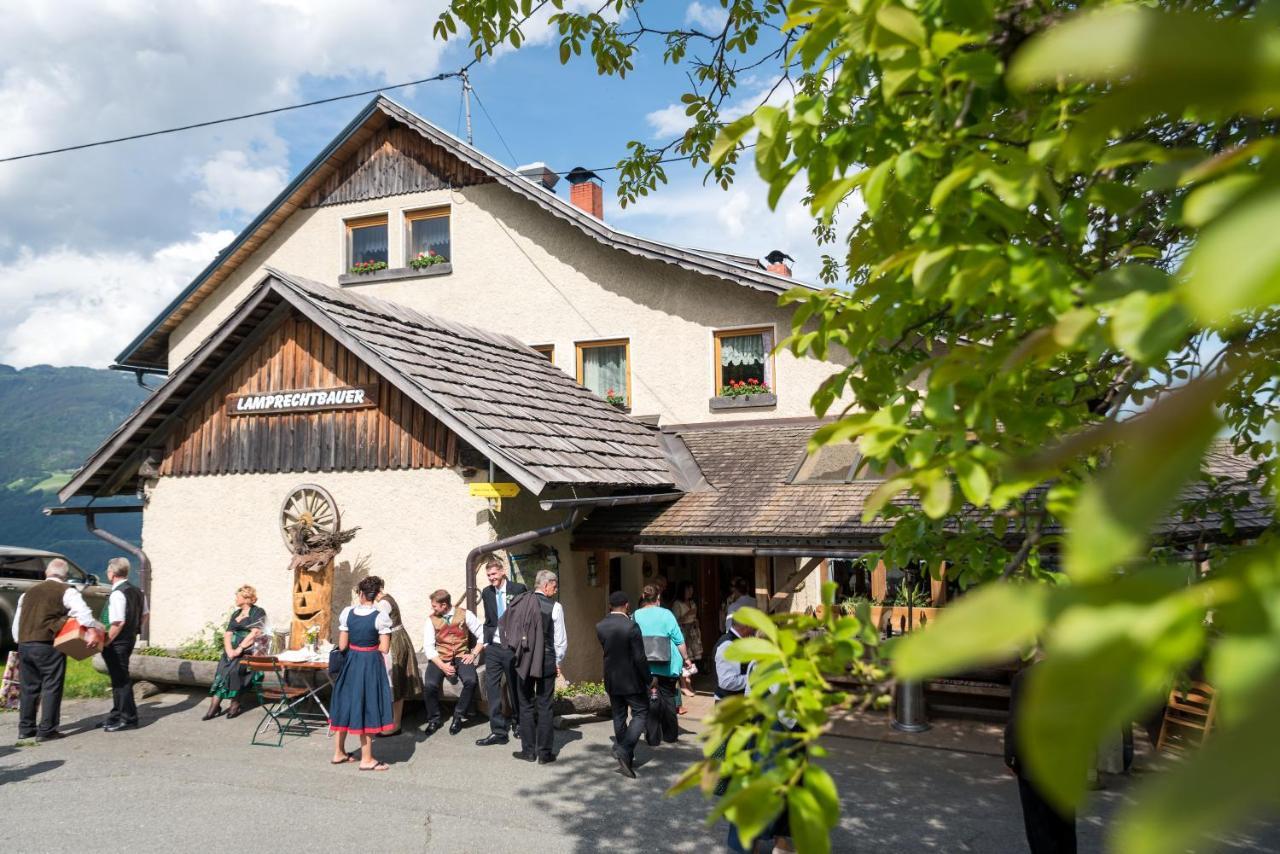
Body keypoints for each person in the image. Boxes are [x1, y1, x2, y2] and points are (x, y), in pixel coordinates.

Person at [12, 558, 103, 741]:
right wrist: (92, 630)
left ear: (47, 573)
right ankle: (47, 730)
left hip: (25, 644)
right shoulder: (67, 591)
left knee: (29, 687)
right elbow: (83, 612)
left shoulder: (28, 593)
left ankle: (26, 728)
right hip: (47, 644)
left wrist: (18, 640)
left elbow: (18, 620)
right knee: (51, 686)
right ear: (65, 575)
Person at [1006, 660, 1077, 853]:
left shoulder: (1025, 678)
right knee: (1065, 826)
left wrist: (1011, 757)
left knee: (1039, 827)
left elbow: (1017, 723)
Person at [329, 575, 396, 770]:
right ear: (375, 596)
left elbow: (342, 645)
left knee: (346, 702)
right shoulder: (380, 617)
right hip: (369, 664)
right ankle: (367, 759)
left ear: (360, 594)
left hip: (351, 662)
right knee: (367, 704)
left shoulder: (347, 613)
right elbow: (384, 648)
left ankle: (338, 752)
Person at [507, 569, 566, 764]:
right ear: (545, 585)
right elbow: (560, 641)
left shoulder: (521, 601)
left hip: (523, 660)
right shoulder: (555, 607)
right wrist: (558, 662)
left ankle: (528, 751)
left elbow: (508, 627)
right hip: (547, 659)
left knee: (525, 705)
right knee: (545, 706)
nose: (555, 590)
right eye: (554, 586)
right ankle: (545, 753)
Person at [596, 590, 650, 778]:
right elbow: (639, 657)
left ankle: (626, 757)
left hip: (612, 677)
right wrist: (649, 679)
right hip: (631, 678)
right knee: (641, 713)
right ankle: (624, 749)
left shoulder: (600, 626)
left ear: (610, 605)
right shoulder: (631, 626)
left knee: (618, 716)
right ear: (627, 605)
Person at [475, 554, 527, 746]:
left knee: (515, 687)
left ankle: (519, 723)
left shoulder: (518, 589)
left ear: (503, 572)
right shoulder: (487, 593)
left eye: (494, 574)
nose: (491, 578)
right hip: (494, 648)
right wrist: (487, 642)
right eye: (489, 575)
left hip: (512, 647)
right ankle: (498, 731)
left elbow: (526, 618)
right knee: (492, 688)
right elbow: (489, 620)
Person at [421, 588, 484, 736]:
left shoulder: (465, 614)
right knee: (429, 684)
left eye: (435, 606)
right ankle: (434, 719)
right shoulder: (431, 620)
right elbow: (429, 648)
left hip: (461, 655)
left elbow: (482, 634)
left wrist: (474, 653)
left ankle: (458, 715)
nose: (433, 608)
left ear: (444, 605)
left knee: (471, 680)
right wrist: (443, 666)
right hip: (440, 657)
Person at [633, 583, 688, 745]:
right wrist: (686, 658)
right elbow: (679, 640)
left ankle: (653, 737)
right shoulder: (667, 614)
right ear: (658, 598)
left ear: (644, 597)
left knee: (650, 700)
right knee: (669, 698)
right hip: (667, 664)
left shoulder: (636, 615)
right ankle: (670, 735)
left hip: (645, 667)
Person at [204, 585, 267, 721]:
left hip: (248, 651)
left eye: (237, 596)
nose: (235, 599)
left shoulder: (258, 611)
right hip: (231, 651)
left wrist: (239, 649)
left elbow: (255, 632)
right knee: (221, 673)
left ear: (246, 598)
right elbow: (228, 633)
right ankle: (214, 706)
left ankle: (234, 703)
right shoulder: (236, 613)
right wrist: (229, 651)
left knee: (234, 672)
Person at [99, 557, 148, 732]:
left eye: (108, 570)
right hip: (128, 639)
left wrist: (106, 641)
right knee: (118, 677)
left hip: (117, 641)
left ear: (112, 573)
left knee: (121, 680)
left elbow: (118, 622)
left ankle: (128, 718)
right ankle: (116, 713)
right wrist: (134, 629)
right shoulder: (138, 591)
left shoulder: (118, 593)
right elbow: (145, 614)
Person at [374, 589, 420, 736]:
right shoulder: (388, 599)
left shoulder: (383, 604)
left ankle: (395, 724)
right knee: (395, 680)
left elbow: (378, 625)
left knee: (394, 680)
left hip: (393, 642)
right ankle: (393, 721)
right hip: (397, 638)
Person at [672, 580, 703, 699]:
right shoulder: (677, 604)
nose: (691, 592)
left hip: (693, 632)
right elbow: (675, 621)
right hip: (683, 632)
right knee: (684, 658)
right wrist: (689, 614)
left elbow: (694, 617)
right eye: (688, 589)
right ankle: (684, 685)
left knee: (692, 659)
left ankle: (689, 683)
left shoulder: (692, 602)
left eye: (691, 589)